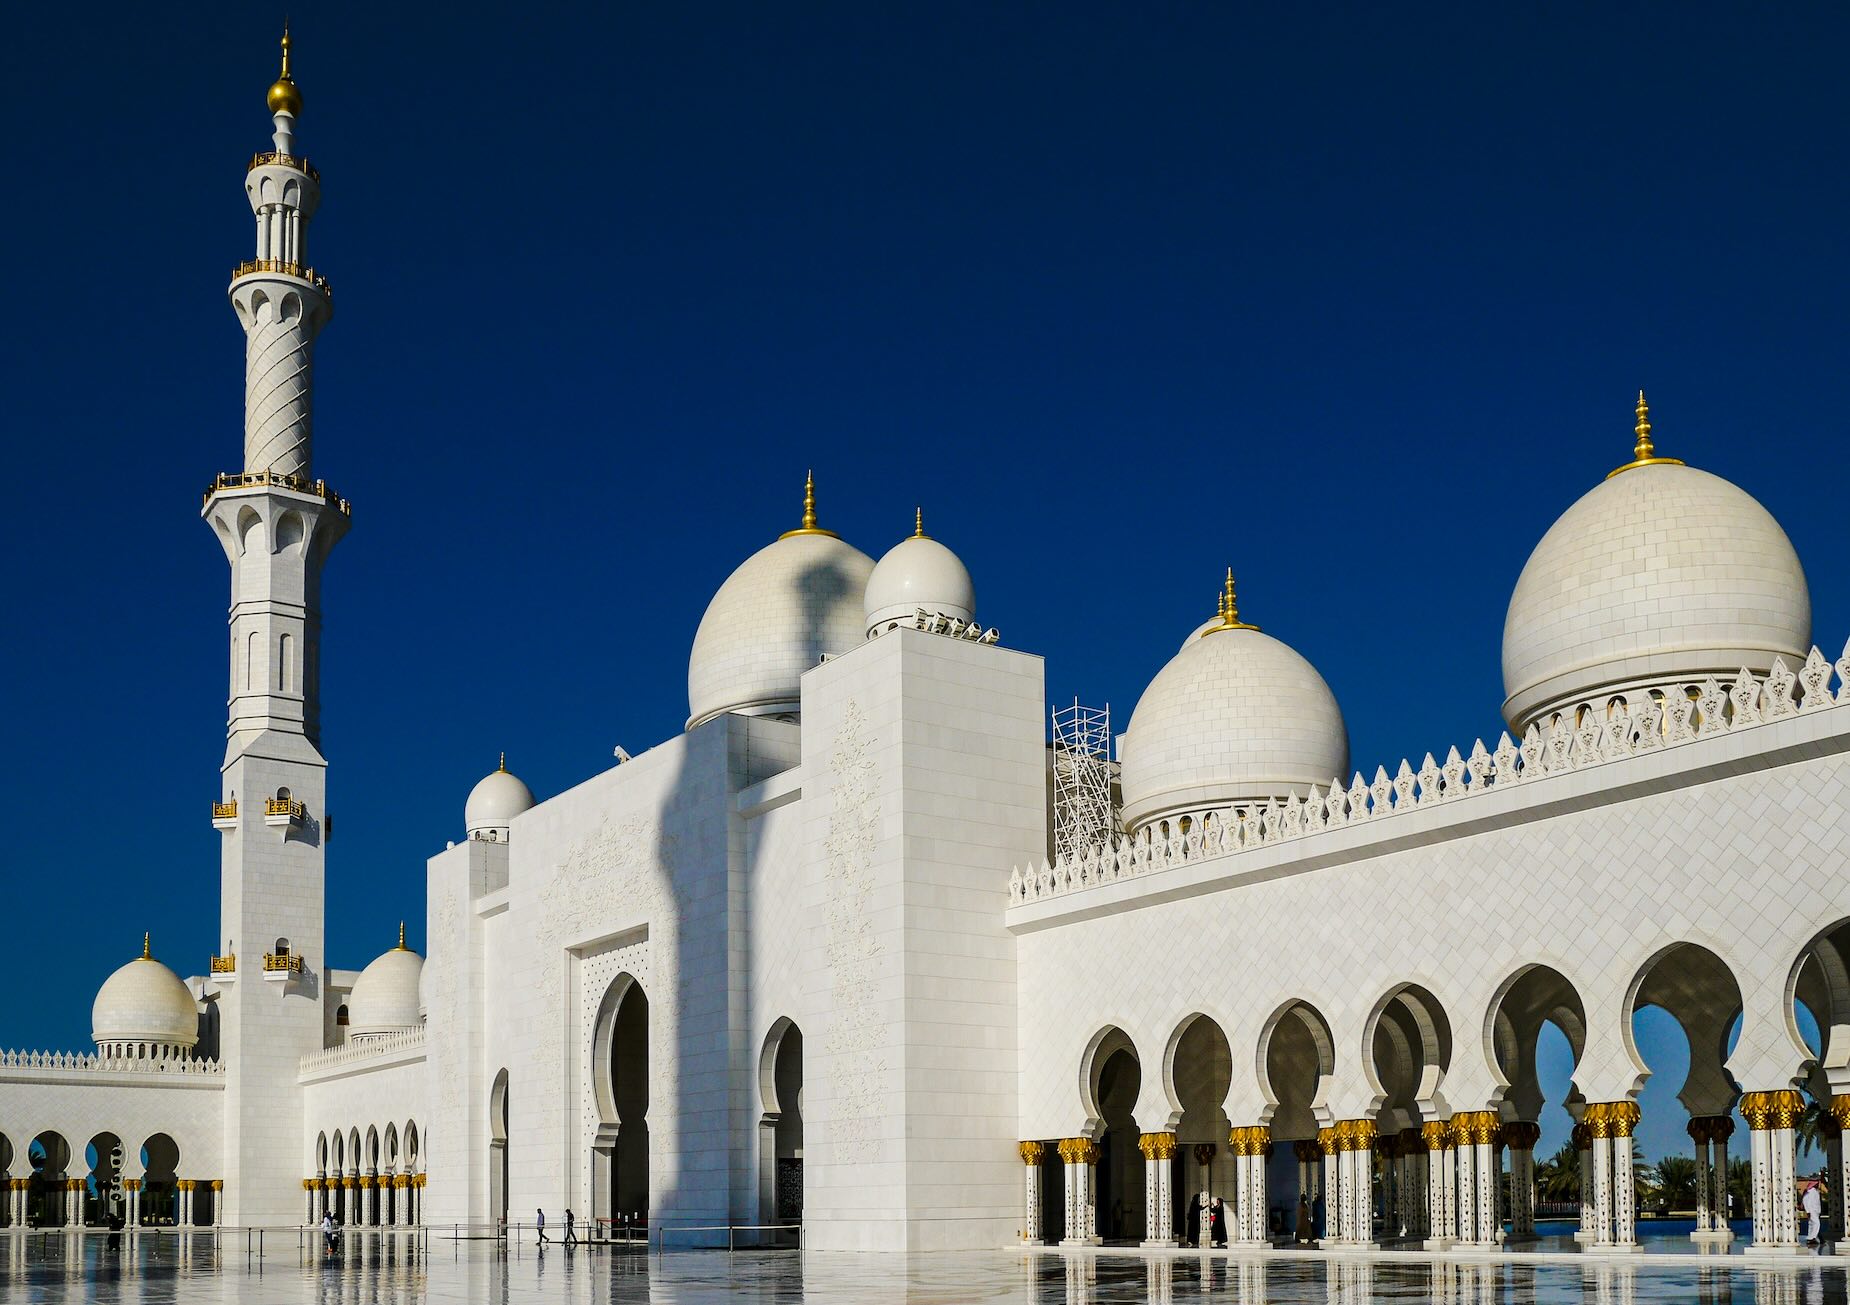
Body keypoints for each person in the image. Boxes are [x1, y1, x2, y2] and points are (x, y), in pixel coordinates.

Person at [1803, 1179, 1823, 1247]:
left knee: (1812, 1224)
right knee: (1816, 1223)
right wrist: (1808, 1211)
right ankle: (1812, 1238)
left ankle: (1810, 1238)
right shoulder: (1810, 1191)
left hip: (1815, 1211)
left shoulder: (1815, 1191)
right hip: (1812, 1211)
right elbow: (1806, 1201)